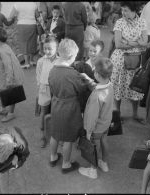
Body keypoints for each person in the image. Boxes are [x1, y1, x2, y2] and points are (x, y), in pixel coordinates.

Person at [48, 38, 95, 173]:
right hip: (70, 107)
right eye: (75, 56)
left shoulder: (52, 70)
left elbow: (51, 86)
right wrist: (87, 80)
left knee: (55, 134)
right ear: (71, 56)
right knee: (68, 138)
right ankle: (66, 164)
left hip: (56, 104)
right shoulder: (73, 74)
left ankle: (53, 157)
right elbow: (81, 89)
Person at [110, 1, 148, 123]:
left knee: (135, 87)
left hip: (135, 60)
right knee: (118, 87)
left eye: (126, 10)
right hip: (120, 60)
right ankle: (117, 114)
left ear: (134, 10)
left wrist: (128, 42)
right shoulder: (120, 22)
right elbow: (118, 44)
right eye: (122, 10)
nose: (123, 12)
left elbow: (145, 43)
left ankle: (135, 114)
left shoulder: (142, 22)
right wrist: (137, 42)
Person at [78, 57, 114, 179]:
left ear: (97, 74)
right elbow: (99, 86)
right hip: (105, 123)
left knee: (94, 147)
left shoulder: (96, 96)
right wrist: (89, 80)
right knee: (104, 141)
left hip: (96, 127)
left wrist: (88, 131)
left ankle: (92, 170)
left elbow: (92, 116)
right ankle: (104, 163)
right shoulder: (109, 86)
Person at [0, 27, 25, 122]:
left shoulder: (3, 50)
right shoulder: (3, 47)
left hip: (9, 77)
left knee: (11, 94)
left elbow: (8, 66)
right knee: (3, 92)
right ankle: (3, 108)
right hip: (3, 76)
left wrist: (9, 80)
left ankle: (11, 113)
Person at [36, 36, 59, 148]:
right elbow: (38, 75)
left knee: (56, 112)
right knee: (44, 113)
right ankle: (43, 136)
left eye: (50, 48)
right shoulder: (41, 61)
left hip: (56, 91)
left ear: (56, 48)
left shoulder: (60, 61)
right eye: (45, 48)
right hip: (44, 90)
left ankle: (56, 135)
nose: (47, 51)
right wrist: (39, 88)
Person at [72, 40, 104, 112]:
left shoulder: (102, 66)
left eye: (95, 51)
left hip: (97, 97)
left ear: (101, 53)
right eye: (90, 50)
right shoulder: (83, 65)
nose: (92, 53)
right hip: (85, 97)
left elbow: (103, 86)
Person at [8, 2, 39, 68]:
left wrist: (16, 17)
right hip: (32, 25)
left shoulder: (17, 4)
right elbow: (37, 16)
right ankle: (31, 60)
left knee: (24, 43)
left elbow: (10, 17)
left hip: (22, 25)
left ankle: (26, 63)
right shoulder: (34, 4)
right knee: (32, 42)